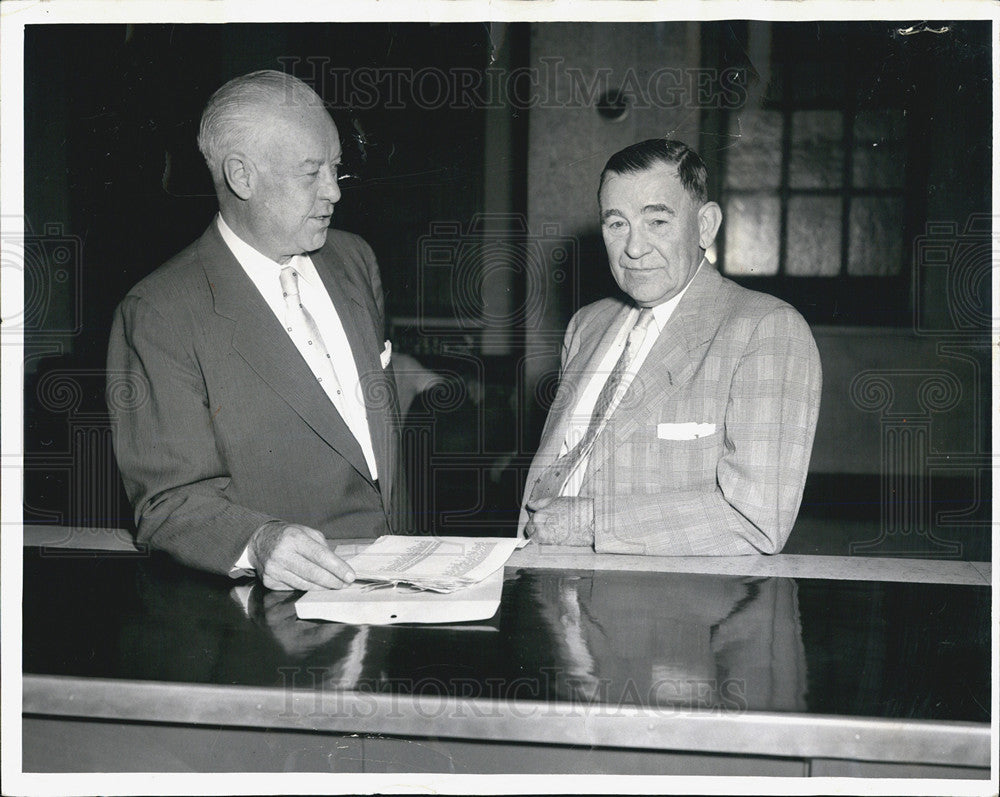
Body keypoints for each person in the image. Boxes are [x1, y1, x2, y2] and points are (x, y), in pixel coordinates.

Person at [107, 70, 406, 589]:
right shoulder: (160, 311)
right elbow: (167, 502)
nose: (334, 191)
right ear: (241, 177)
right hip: (285, 612)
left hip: (403, 582)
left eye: (336, 168)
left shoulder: (354, 258)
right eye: (310, 173)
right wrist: (261, 541)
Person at [519, 139, 822, 555]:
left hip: (662, 607)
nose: (634, 248)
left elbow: (756, 519)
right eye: (616, 224)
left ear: (705, 226)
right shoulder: (587, 324)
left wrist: (591, 522)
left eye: (657, 222)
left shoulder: (766, 330)